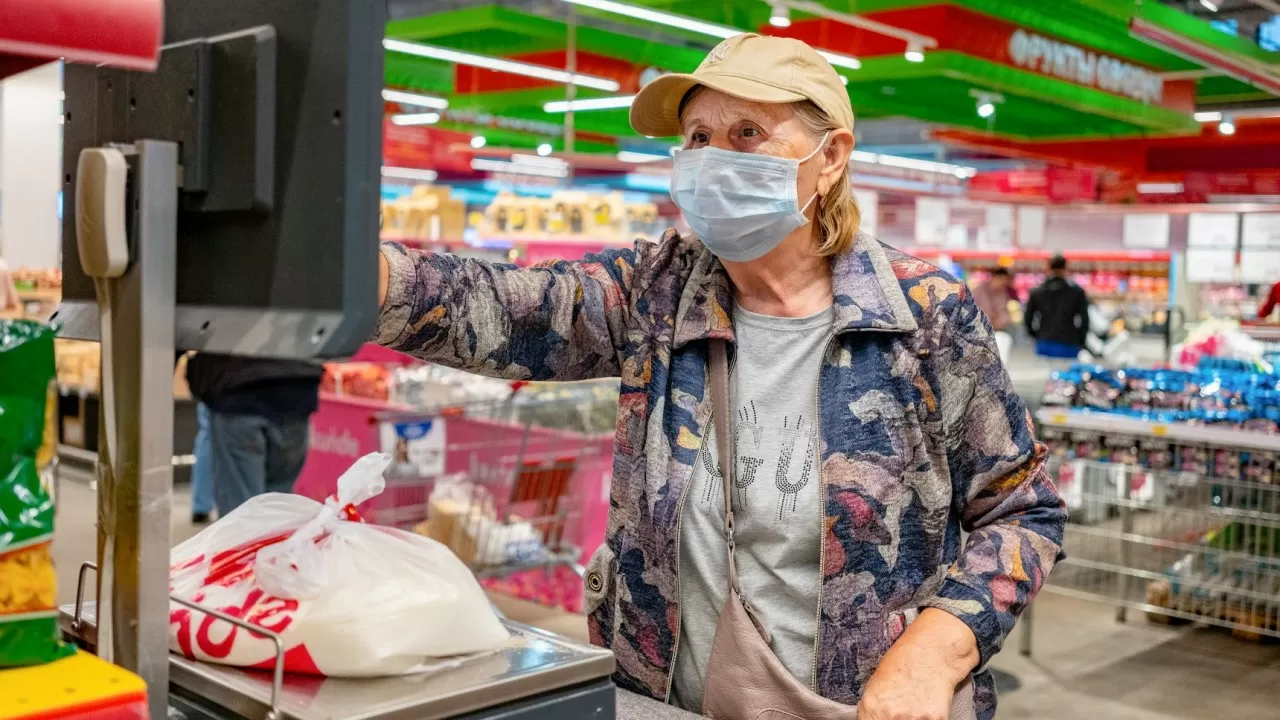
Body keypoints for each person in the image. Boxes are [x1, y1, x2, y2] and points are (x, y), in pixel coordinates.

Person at [375, 34, 1064, 720]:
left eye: (747, 133)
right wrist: (359, 275)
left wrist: (936, 652)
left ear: (830, 158)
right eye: (698, 137)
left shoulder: (922, 316)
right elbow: (506, 307)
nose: (713, 158)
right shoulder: (659, 293)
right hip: (664, 705)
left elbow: (1022, 509)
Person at [184, 354, 322, 515]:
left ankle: (203, 507)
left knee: (240, 507)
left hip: (237, 390)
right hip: (296, 387)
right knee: (278, 501)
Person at [1024, 254, 1089, 361]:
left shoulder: (1036, 292)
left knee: (1044, 371)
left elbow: (1028, 318)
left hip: (1044, 342)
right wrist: (1080, 339)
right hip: (1069, 342)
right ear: (1065, 268)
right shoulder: (1077, 292)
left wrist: (1035, 335)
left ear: (1048, 268)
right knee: (1067, 371)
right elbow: (1084, 319)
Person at [971, 267, 1013, 364]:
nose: (1003, 283)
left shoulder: (1003, 293)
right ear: (995, 277)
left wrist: (1004, 319)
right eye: (1002, 280)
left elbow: (1004, 311)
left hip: (998, 331)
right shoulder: (978, 291)